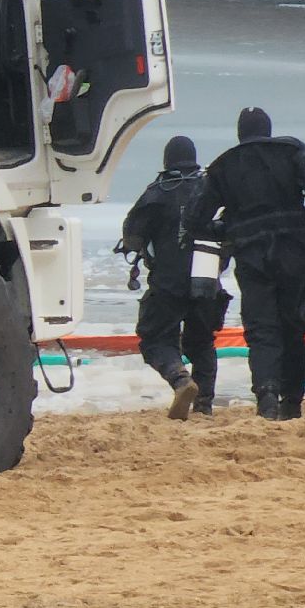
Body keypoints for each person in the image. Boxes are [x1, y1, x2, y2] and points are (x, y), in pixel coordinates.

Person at [183, 107, 305, 421]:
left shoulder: (223, 165)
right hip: (293, 251)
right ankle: (292, 400)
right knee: (293, 325)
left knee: (261, 328)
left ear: (240, 134)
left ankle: (266, 397)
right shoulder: (292, 150)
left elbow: (194, 219)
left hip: (252, 257)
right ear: (268, 129)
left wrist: (225, 229)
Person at [120, 136, 226, 419]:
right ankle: (203, 406)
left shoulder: (157, 192)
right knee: (202, 342)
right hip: (206, 280)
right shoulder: (210, 188)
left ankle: (180, 379)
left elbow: (131, 235)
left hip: (168, 283)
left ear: (167, 161)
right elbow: (230, 226)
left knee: (154, 339)